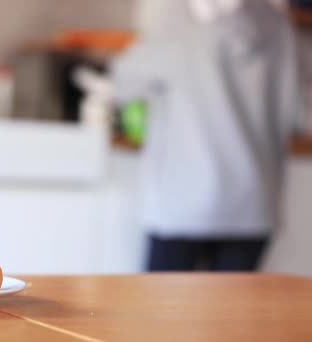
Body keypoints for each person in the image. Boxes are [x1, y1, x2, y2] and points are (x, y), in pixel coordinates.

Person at [110, 0, 304, 271]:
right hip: (254, 203)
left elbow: (124, 84)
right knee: (235, 312)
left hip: (181, 202)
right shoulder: (279, 25)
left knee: (163, 309)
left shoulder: (171, 24)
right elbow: (299, 112)